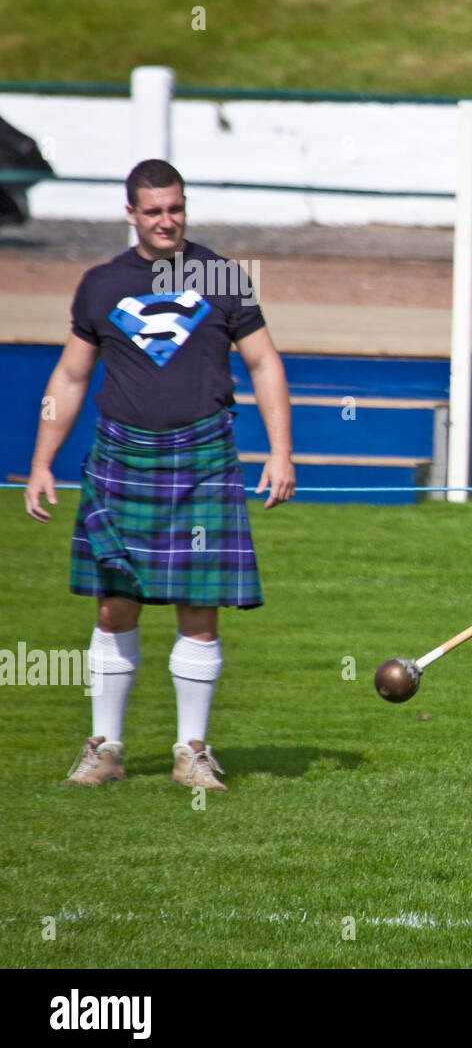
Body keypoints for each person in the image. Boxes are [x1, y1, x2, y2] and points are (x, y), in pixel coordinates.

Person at [24, 159, 295, 791]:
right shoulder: (100, 284)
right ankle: (105, 750)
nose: (166, 220)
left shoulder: (221, 278)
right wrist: (40, 462)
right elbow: (69, 377)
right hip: (121, 459)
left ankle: (191, 753)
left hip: (202, 458)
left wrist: (280, 452)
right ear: (131, 214)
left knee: (199, 611)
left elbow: (264, 363)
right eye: (153, 211)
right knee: (115, 608)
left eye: (175, 208)